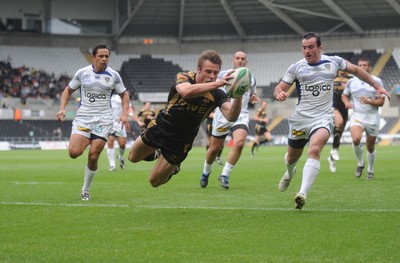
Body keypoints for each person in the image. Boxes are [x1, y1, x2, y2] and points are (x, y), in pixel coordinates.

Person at [274, 32, 391, 209]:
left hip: (322, 118)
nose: (307, 50)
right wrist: (279, 94)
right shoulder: (296, 67)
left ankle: (302, 193)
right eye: (304, 47)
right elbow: (279, 88)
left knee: (314, 150)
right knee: (291, 158)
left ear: (320, 48)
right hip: (300, 119)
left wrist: (377, 86)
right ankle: (290, 174)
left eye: (311, 47)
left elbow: (357, 70)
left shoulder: (333, 62)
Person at [128, 50, 242, 187]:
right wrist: (218, 83)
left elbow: (231, 115)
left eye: (215, 73)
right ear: (198, 69)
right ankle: (159, 152)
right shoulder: (184, 77)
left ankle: (174, 167)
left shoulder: (217, 94)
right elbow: (186, 92)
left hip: (181, 141)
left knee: (154, 182)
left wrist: (239, 94)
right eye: (208, 71)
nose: (212, 76)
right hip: (160, 127)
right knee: (132, 158)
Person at [56, 44, 130, 201]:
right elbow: (68, 91)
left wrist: (124, 114)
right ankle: (87, 139)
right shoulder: (83, 73)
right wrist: (62, 108)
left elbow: (124, 95)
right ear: (94, 57)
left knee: (94, 155)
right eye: (101, 56)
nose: (104, 59)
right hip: (84, 117)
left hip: (103, 119)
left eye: (107, 56)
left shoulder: (114, 75)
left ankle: (86, 189)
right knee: (74, 153)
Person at [200, 51, 259, 189]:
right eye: (237, 58)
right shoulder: (222, 75)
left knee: (239, 143)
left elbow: (252, 92)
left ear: (246, 62)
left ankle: (225, 174)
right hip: (223, 115)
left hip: (241, 114)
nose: (240, 60)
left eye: (242, 59)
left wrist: (253, 97)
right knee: (214, 148)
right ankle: (205, 172)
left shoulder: (251, 78)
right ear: (233, 60)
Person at [341, 58, 385, 180]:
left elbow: (381, 102)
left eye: (365, 65)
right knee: (355, 139)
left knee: (370, 146)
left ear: (369, 68)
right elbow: (344, 95)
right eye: (360, 65)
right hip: (357, 116)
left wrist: (369, 101)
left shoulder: (377, 81)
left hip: (372, 117)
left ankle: (370, 170)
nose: (362, 67)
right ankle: (360, 163)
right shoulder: (351, 82)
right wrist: (346, 103)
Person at [327, 71, 352, 173]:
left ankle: (332, 156)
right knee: (339, 123)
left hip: (345, 107)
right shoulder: (332, 77)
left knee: (340, 132)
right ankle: (334, 151)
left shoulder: (351, 79)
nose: (343, 70)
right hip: (333, 106)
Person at [106, 93, 134, 172]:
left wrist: (131, 114)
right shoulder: (107, 95)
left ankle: (121, 156)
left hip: (120, 122)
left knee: (122, 145)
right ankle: (112, 165)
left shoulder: (122, 96)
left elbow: (129, 107)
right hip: (109, 122)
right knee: (110, 141)